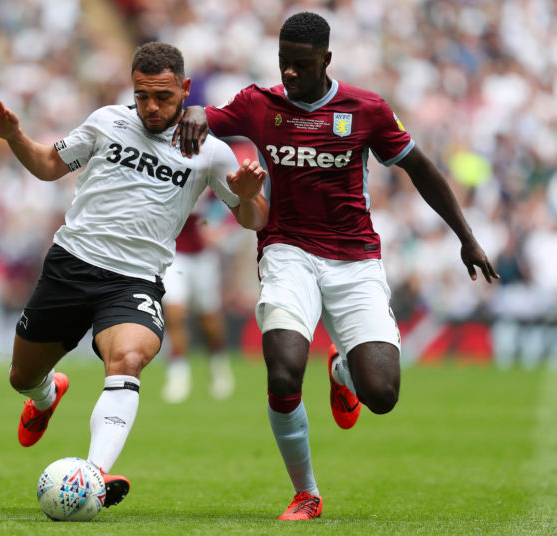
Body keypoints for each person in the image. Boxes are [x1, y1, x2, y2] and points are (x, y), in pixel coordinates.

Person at [173, 11, 500, 521]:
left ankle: (343, 371)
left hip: (355, 260)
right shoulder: (260, 105)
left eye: (301, 65)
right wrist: (194, 112)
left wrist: (468, 238)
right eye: (284, 63)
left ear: (327, 59)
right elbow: (204, 116)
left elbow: (422, 169)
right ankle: (307, 493)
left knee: (383, 394)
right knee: (282, 373)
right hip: (287, 252)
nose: (290, 74)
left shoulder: (366, 109)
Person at [0, 42, 269, 509]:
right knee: (21, 376)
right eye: (142, 95)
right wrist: (15, 136)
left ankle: (93, 475)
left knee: (128, 359)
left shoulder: (211, 153)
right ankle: (47, 395)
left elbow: (255, 220)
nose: (151, 107)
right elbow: (49, 166)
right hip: (71, 265)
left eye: (163, 97)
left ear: (185, 90)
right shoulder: (106, 122)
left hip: (133, 280)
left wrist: (251, 195)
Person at [162, 208, 234, 404]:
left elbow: (225, 206)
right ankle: (178, 376)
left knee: (209, 321)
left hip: (203, 256)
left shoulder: (208, 179)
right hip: (173, 254)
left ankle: (218, 367)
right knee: (174, 314)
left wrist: (216, 228)